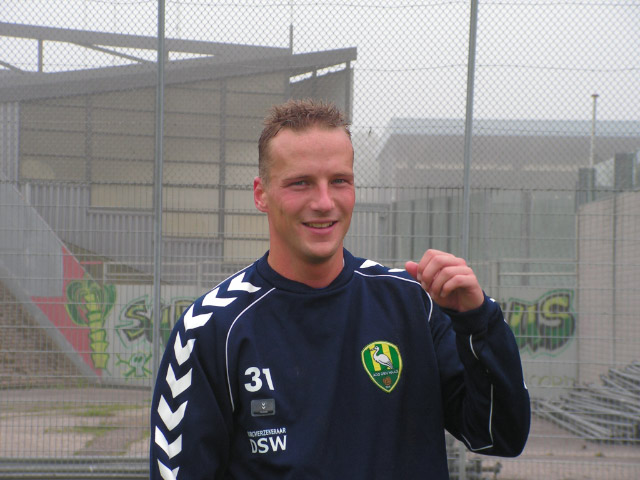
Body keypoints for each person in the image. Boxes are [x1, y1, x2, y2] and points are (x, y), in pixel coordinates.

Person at [150, 99, 530, 479]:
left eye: (339, 181)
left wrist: (478, 321)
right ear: (261, 194)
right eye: (300, 183)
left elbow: (499, 437)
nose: (324, 202)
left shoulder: (414, 305)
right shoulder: (211, 329)